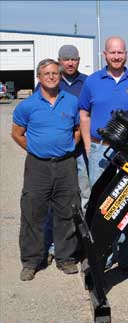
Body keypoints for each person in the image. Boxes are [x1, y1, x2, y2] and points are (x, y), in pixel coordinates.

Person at [79, 36, 128, 269]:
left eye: (120, 52)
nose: (117, 56)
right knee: (102, 203)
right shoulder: (92, 81)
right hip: (101, 150)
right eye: (112, 52)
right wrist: (89, 146)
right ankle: (102, 255)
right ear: (105, 54)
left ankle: (127, 255)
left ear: (126, 54)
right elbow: (84, 114)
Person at [11, 58, 80, 281]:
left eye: (55, 73)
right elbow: (17, 134)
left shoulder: (71, 102)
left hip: (65, 165)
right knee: (32, 213)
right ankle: (31, 261)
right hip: (37, 166)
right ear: (38, 78)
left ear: (60, 76)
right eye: (46, 73)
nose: (51, 76)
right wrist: (35, 149)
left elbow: (78, 129)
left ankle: (65, 258)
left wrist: (68, 146)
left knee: (67, 212)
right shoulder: (27, 105)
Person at [44, 45, 90, 265]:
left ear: (79, 61)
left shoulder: (87, 82)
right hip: (58, 156)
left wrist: (76, 145)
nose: (70, 63)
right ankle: (54, 244)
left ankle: (82, 243)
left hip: (80, 152)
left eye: (74, 59)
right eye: (66, 59)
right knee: (56, 201)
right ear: (60, 61)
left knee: (84, 197)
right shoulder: (51, 81)